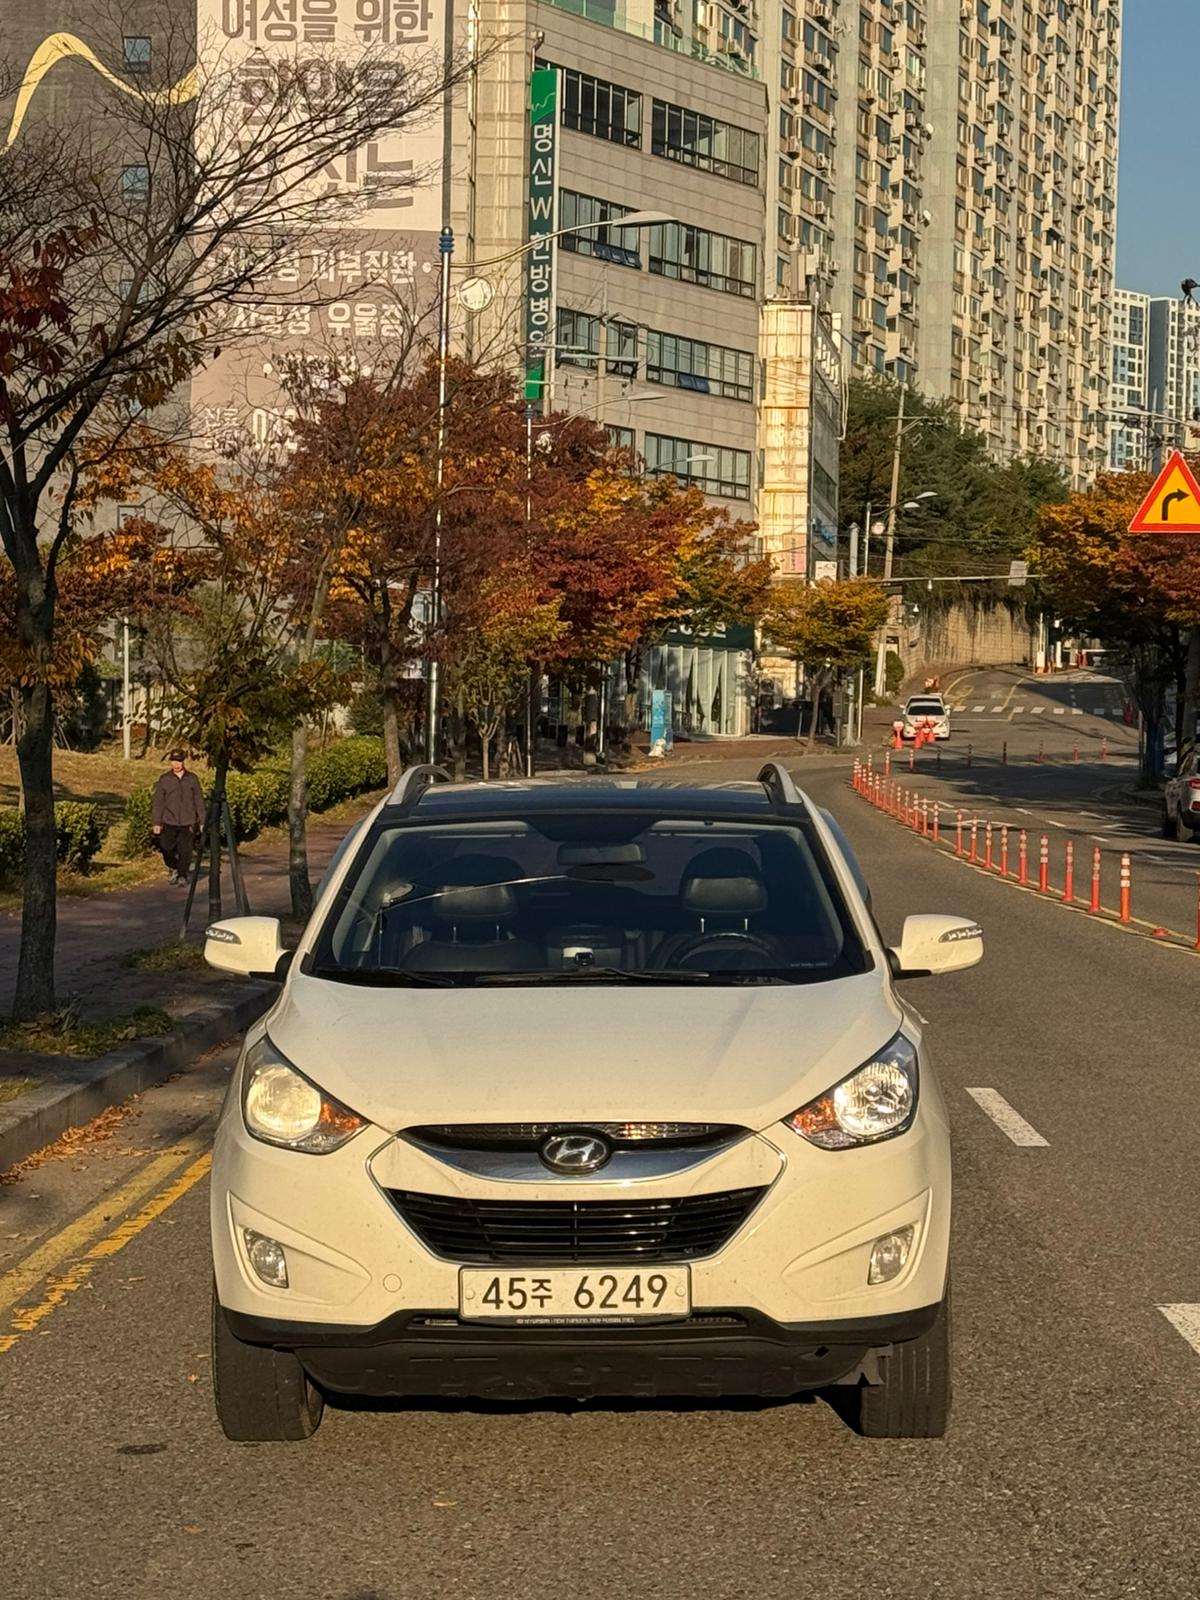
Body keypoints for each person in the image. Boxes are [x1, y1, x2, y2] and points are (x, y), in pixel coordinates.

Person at [152, 750, 205, 886]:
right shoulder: (165, 779)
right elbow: (159, 801)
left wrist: (202, 821)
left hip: (187, 821)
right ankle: (174, 867)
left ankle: (182, 875)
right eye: (174, 761)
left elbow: (198, 800)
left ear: (183, 762)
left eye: (179, 761)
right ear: (171, 762)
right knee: (165, 847)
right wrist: (156, 822)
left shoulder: (192, 779)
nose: (176, 764)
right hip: (169, 820)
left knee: (185, 850)